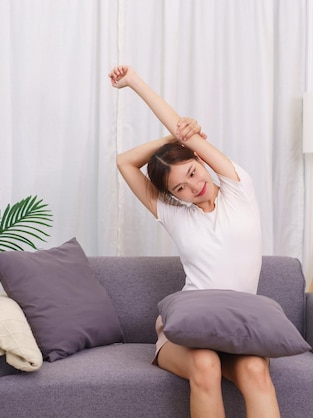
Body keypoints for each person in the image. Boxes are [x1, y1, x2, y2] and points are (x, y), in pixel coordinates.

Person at [109, 65, 280, 418]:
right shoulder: (175, 214)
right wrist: (172, 141)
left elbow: (187, 140)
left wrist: (137, 83)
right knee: (205, 364)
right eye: (179, 188)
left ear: (200, 158)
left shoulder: (239, 189)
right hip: (188, 330)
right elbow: (124, 162)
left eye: (191, 171)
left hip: (238, 327)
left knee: (255, 370)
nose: (193, 186)